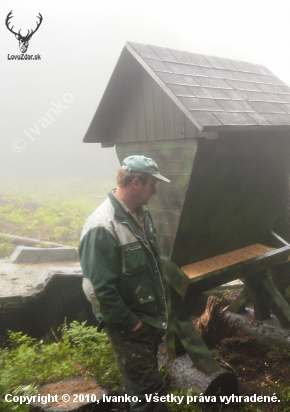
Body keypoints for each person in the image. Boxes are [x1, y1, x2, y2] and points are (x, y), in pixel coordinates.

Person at [79, 155, 170, 412]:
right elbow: (97, 290)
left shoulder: (141, 216)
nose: (155, 190)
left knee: (138, 389)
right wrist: (133, 325)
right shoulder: (103, 226)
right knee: (150, 397)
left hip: (148, 323)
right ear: (137, 183)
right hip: (130, 327)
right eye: (153, 184)